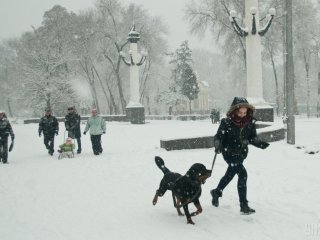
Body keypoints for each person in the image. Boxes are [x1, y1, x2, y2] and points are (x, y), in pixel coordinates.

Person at [210, 97, 270, 214]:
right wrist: (218, 145)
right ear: (234, 111)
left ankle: (217, 192)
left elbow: (252, 138)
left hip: (241, 154)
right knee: (243, 175)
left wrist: (260, 143)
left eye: (245, 112)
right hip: (229, 153)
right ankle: (244, 205)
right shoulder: (226, 122)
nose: (242, 115)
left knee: (230, 174)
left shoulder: (250, 122)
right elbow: (218, 137)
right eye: (240, 112)